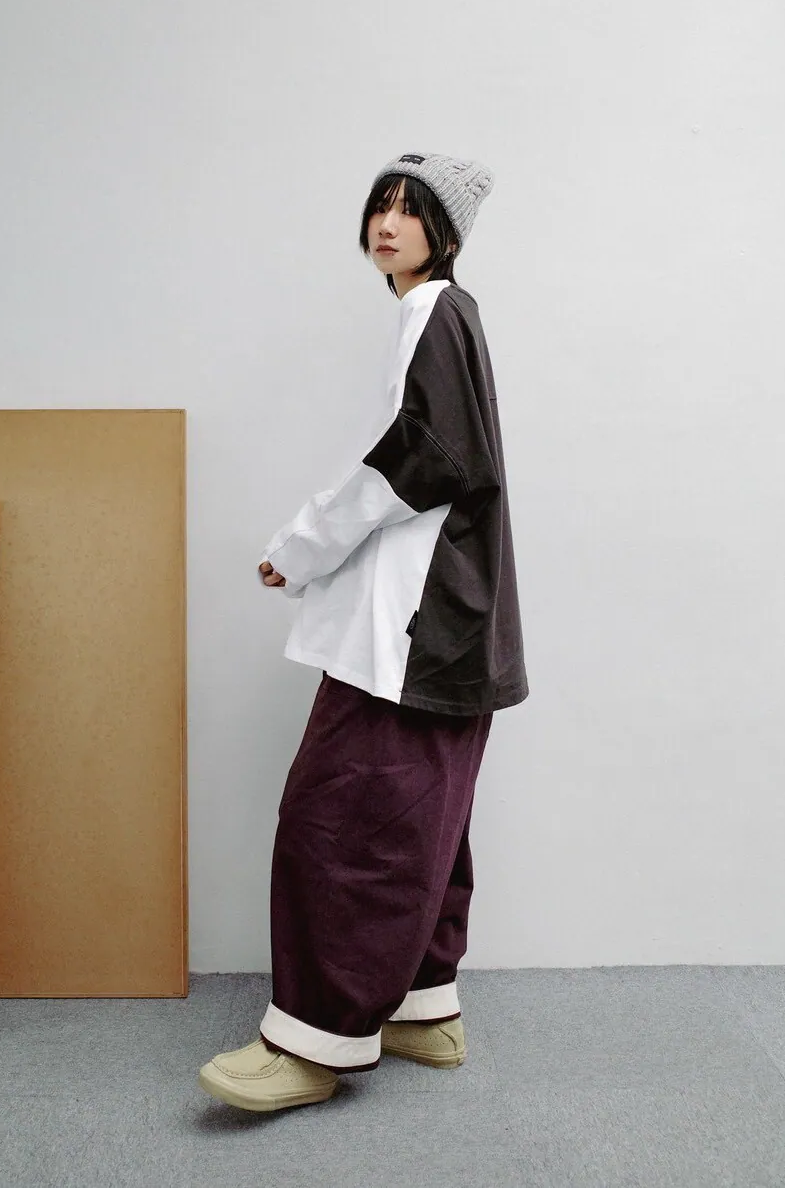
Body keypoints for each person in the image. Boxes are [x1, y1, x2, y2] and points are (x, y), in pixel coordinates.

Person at [198, 151, 529, 1113]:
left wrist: (303, 548)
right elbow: (434, 461)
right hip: (454, 628)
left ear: (446, 233)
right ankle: (423, 1011)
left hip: (416, 633)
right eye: (379, 206)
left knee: (340, 825)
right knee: (422, 821)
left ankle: (314, 1043)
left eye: (411, 210)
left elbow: (423, 458)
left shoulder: (432, 311)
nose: (388, 224)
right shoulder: (446, 314)